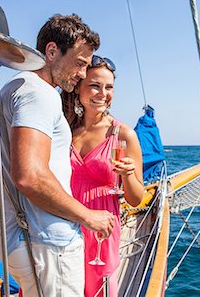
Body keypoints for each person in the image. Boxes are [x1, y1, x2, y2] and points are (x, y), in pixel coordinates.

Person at [0, 14, 115, 296]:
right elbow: (30, 176)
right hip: (48, 244)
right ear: (52, 51)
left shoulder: (14, 88)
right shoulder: (39, 94)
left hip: (25, 241)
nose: (83, 74)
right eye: (80, 63)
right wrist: (88, 217)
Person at [61, 55, 144, 297]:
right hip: (67, 222)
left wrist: (128, 175)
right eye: (95, 85)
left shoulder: (123, 134)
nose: (103, 93)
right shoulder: (66, 131)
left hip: (101, 230)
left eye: (109, 87)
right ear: (78, 88)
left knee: (98, 290)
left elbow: (136, 199)